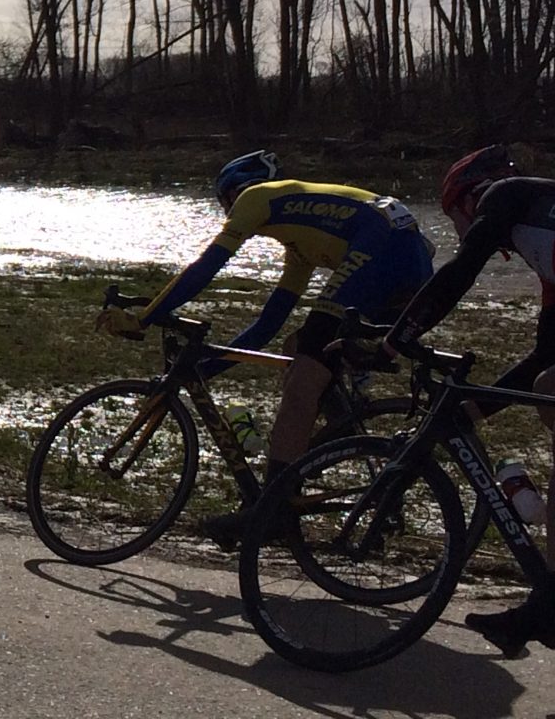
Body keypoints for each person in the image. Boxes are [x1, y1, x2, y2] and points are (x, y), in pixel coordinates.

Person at [99, 150, 437, 546]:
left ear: (230, 194)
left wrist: (144, 318)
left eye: (224, 205)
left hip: (384, 249)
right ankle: (343, 442)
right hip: (410, 263)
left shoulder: (255, 197)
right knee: (301, 349)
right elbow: (265, 328)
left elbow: (206, 268)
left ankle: (272, 513)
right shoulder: (302, 244)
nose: (230, 216)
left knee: (305, 370)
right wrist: (200, 371)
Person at [375, 145, 555, 652]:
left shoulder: (507, 194)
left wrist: (397, 337)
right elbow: (543, 356)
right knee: (548, 388)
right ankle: (546, 607)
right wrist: (474, 409)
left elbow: (458, 273)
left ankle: (548, 608)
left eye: (454, 216)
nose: (457, 228)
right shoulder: (545, 246)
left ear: (464, 199)